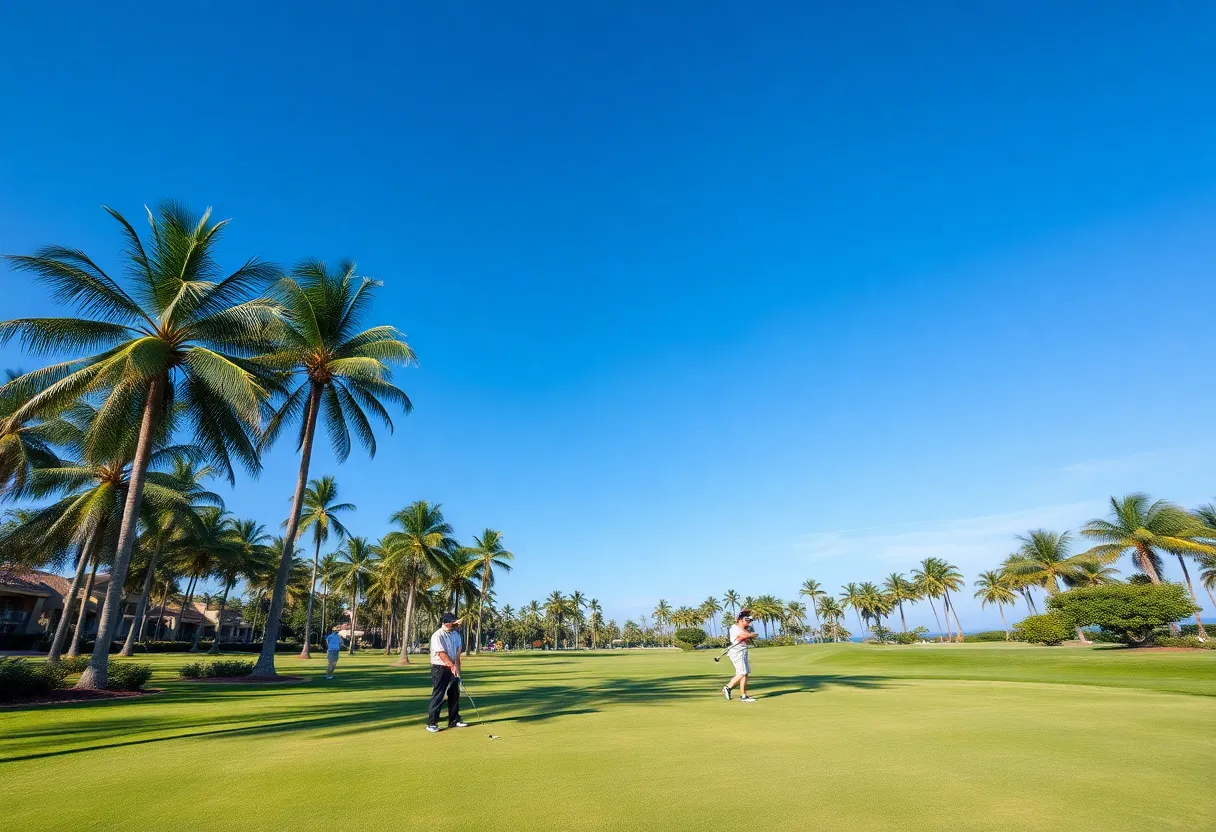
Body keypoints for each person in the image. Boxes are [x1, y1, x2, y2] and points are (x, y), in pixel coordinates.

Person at [427, 612, 470, 732]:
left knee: (454, 693)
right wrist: (452, 666)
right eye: (453, 623)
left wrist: (458, 671)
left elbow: (457, 655)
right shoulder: (437, 635)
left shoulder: (456, 635)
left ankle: (454, 720)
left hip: (452, 667)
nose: (455, 625)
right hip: (439, 668)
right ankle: (432, 723)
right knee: (439, 694)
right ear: (445, 623)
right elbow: (441, 654)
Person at [722, 609, 758, 702]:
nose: (748, 623)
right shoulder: (734, 628)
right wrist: (749, 635)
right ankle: (728, 687)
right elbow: (742, 637)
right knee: (741, 672)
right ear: (740, 620)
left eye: (749, 621)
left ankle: (743, 695)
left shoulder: (745, 628)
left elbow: (748, 638)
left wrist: (749, 635)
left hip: (743, 651)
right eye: (747, 620)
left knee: (745, 673)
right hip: (736, 652)